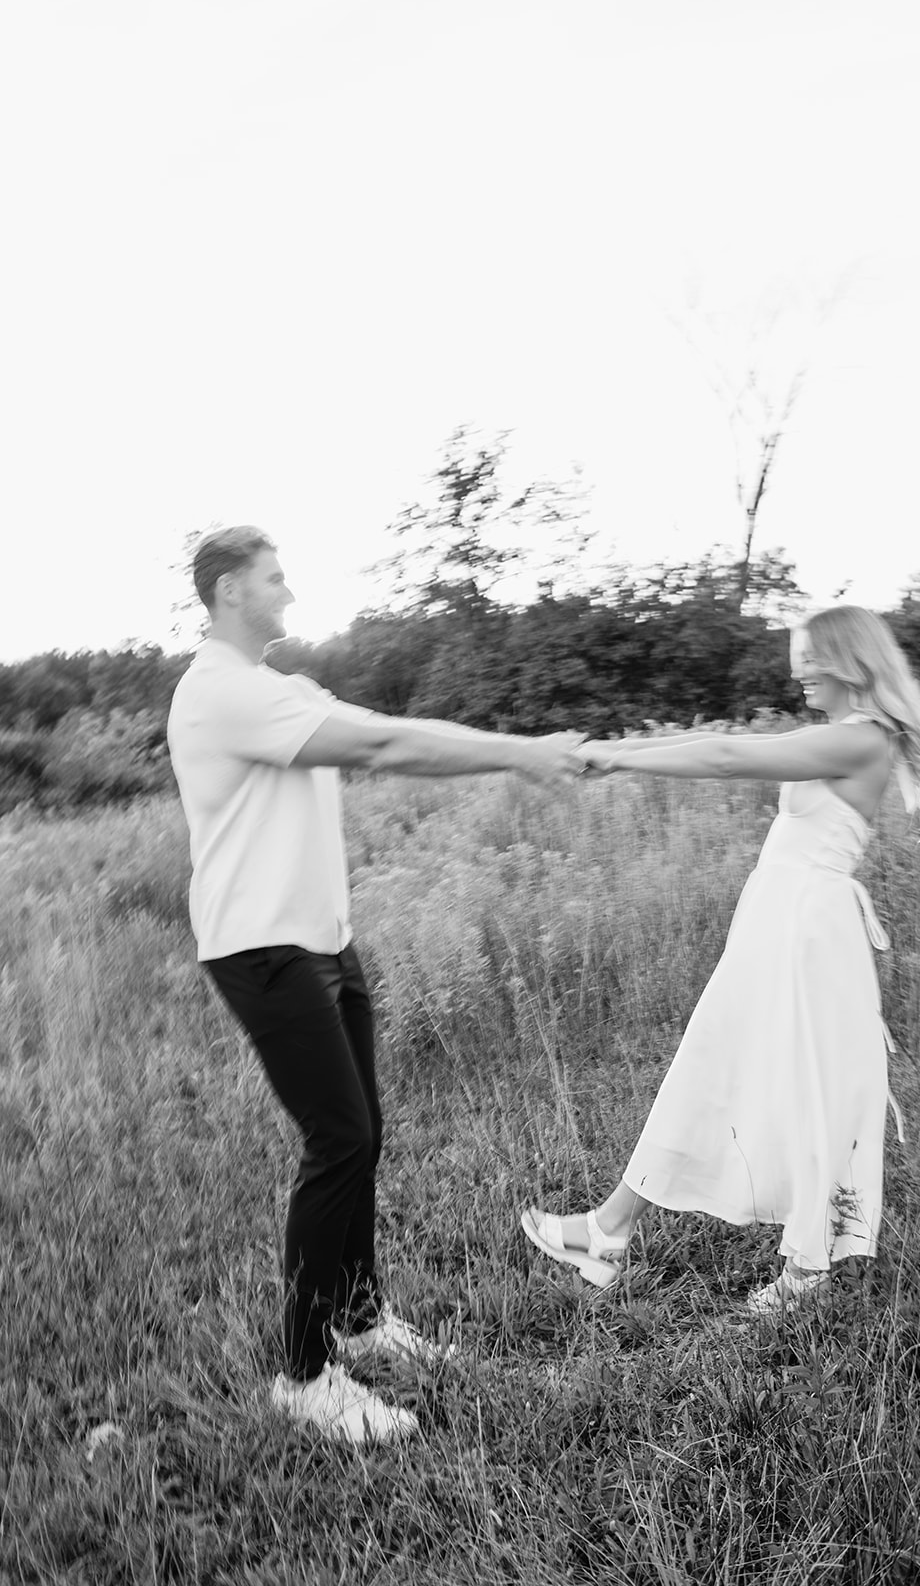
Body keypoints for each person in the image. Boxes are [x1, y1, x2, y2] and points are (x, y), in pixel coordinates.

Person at [167, 526, 581, 1447]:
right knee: (340, 1139)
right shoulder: (223, 693)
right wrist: (521, 751)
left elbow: (396, 733)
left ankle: (359, 1317)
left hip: (322, 939)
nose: (289, 591)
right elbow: (390, 746)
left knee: (365, 1134)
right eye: (274, 577)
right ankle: (304, 1375)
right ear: (229, 590)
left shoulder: (282, 689)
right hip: (260, 945)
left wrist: (515, 747)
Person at [522, 605, 920, 1311]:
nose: (797, 670)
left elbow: (725, 757)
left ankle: (800, 1270)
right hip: (781, 921)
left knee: (801, 1086)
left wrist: (618, 757)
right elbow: (726, 754)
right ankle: (611, 1227)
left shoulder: (860, 738)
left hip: (805, 929)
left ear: (849, 660)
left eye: (810, 657)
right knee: (718, 1064)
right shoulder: (848, 735)